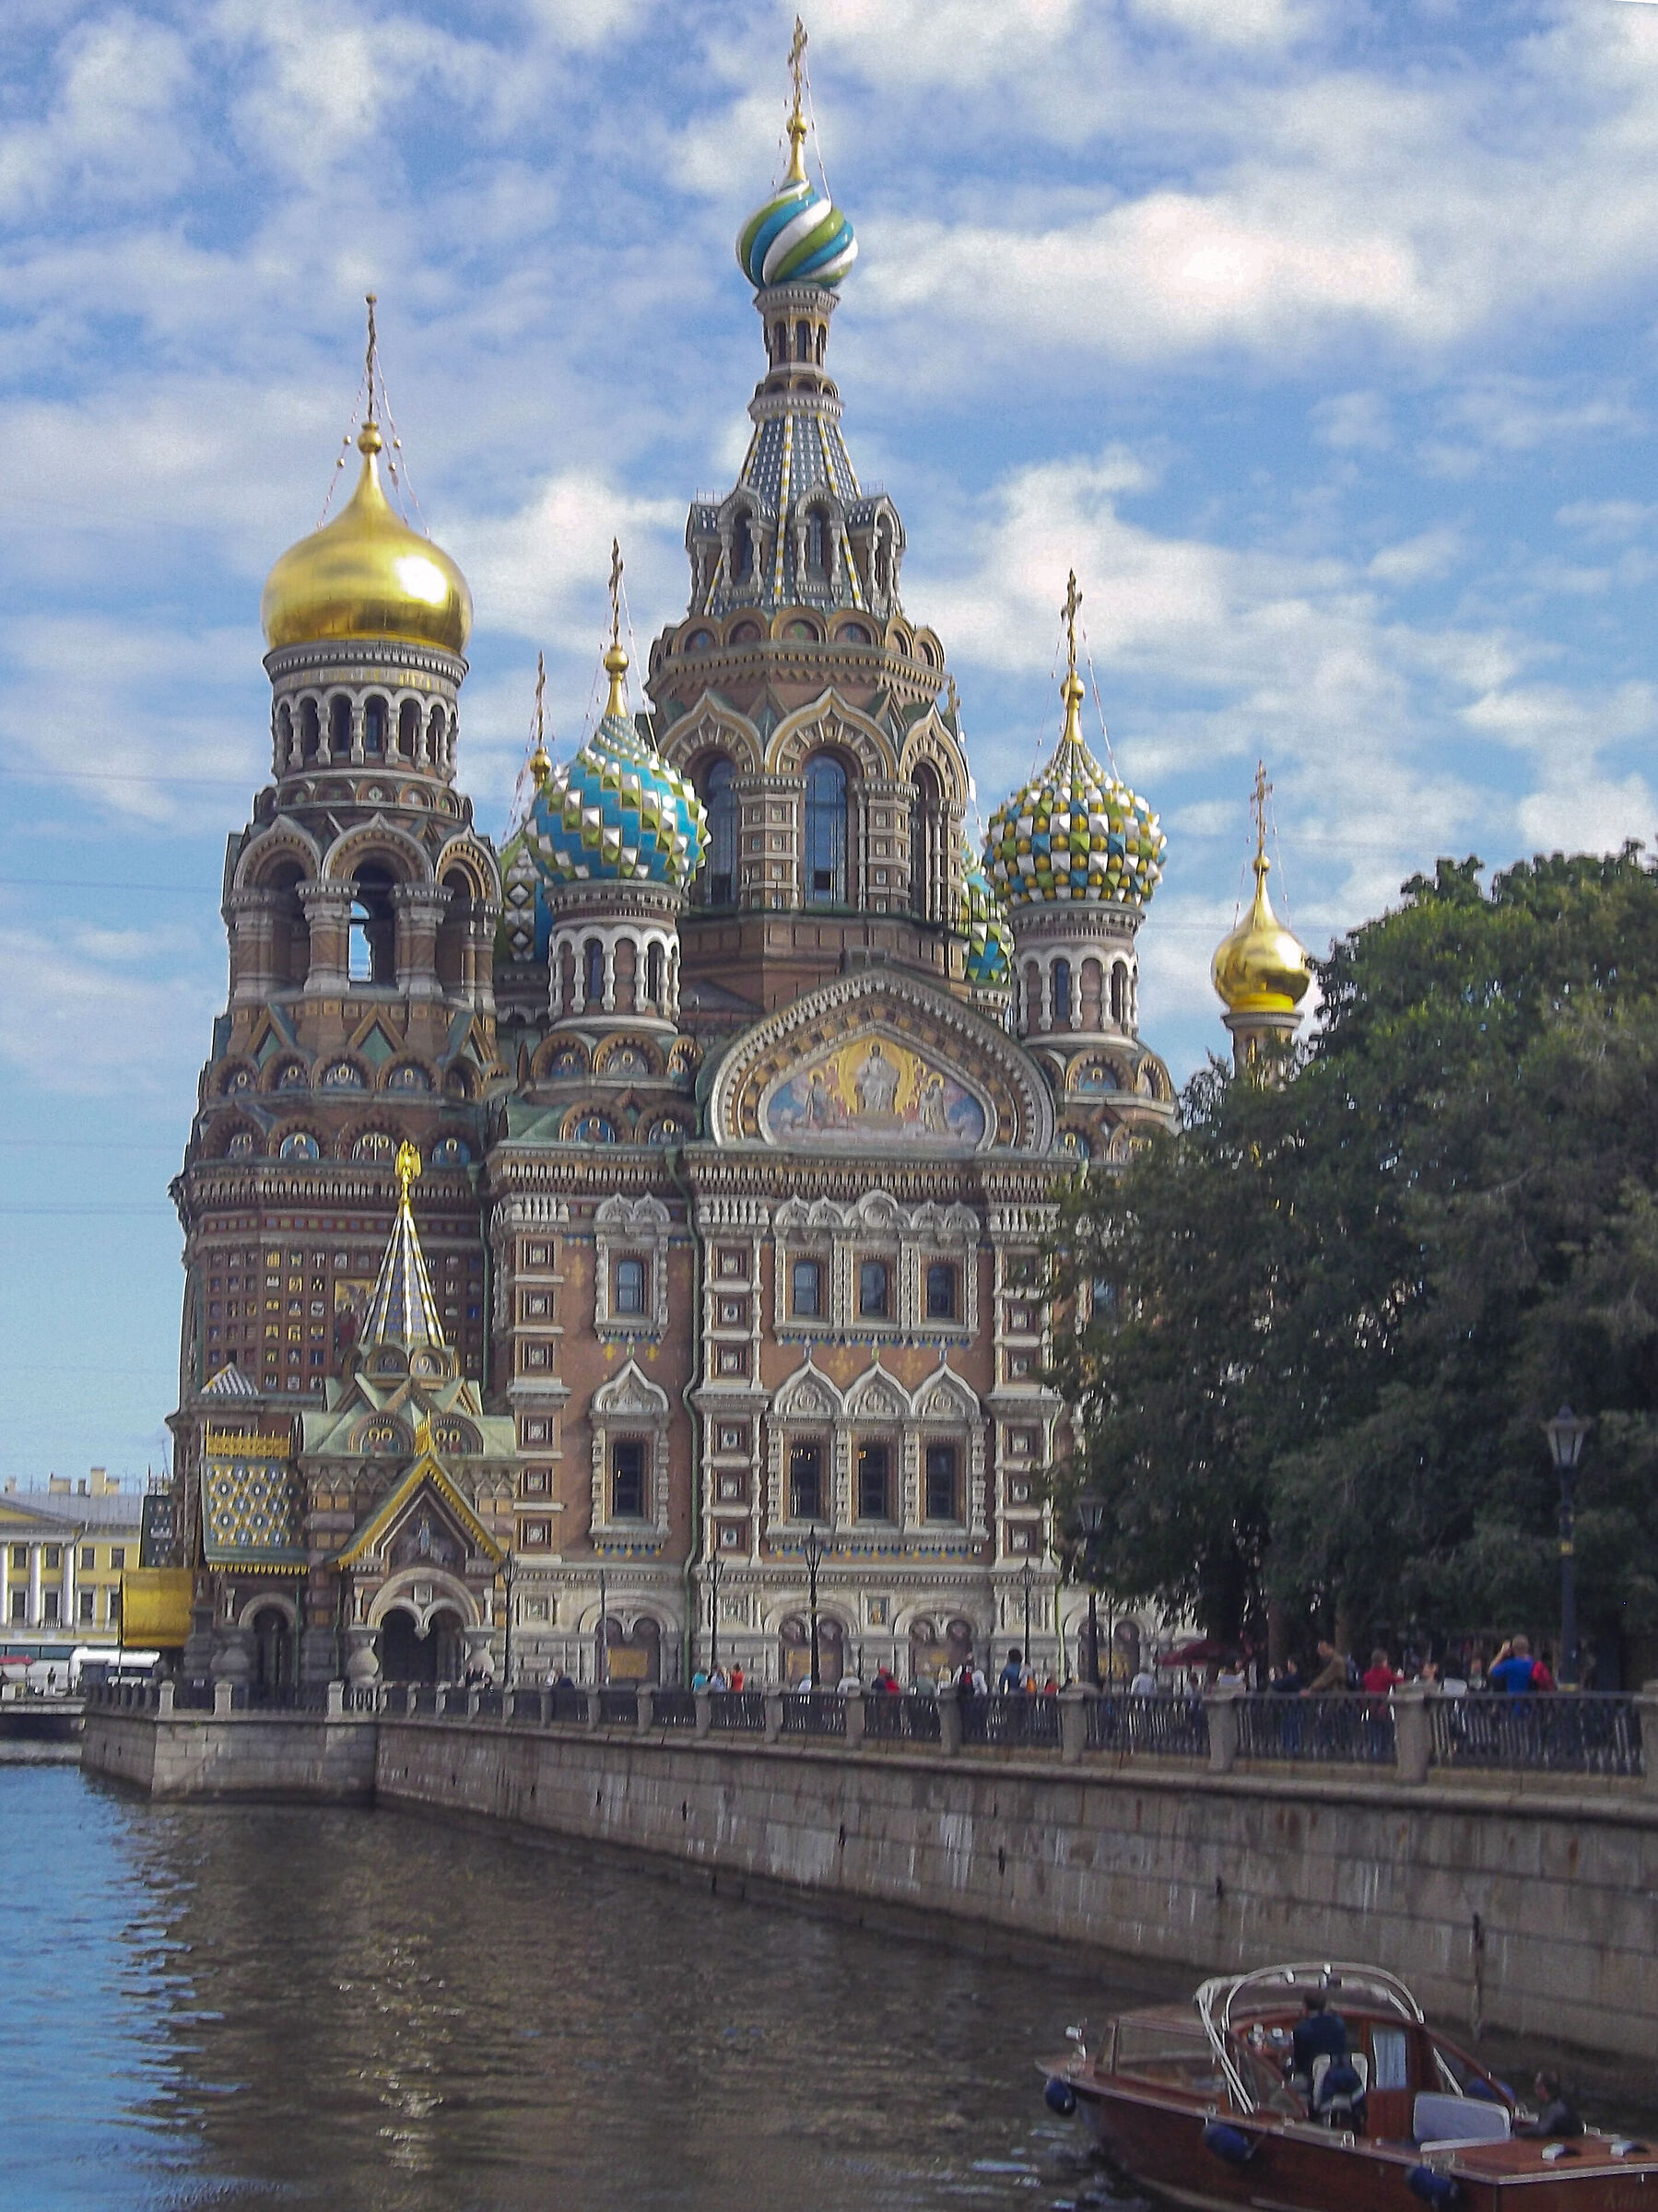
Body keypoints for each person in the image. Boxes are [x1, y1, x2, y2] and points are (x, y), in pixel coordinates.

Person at [1287, 1990, 1350, 2101]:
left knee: (1284, 2092)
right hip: (1340, 2081)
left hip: (1311, 2082)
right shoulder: (1339, 2024)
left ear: (1305, 2007)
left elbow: (1299, 2063)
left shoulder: (1302, 2029)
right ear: (1325, 2006)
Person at [1515, 2072, 1583, 2139]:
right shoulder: (1551, 2103)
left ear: (1543, 2088)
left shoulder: (1556, 2107)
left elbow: (1541, 2130)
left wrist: (1517, 2132)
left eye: (1536, 2086)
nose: (1534, 2090)